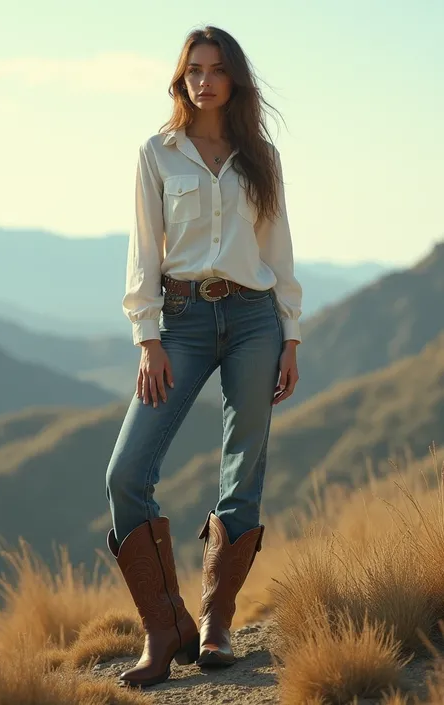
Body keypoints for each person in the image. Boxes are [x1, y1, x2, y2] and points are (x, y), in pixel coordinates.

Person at [105, 25, 302, 688]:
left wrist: (291, 334)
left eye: (217, 68)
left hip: (254, 320)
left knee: (242, 471)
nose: (205, 79)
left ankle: (216, 623)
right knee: (125, 473)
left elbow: (278, 252)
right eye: (195, 68)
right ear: (181, 77)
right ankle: (165, 627)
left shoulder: (260, 157)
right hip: (181, 322)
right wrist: (148, 337)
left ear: (233, 79)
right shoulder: (157, 154)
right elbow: (144, 251)